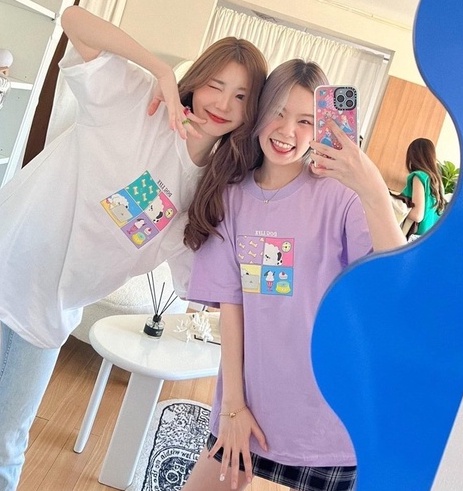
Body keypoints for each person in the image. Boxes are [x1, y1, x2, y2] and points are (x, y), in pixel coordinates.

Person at [0, 6, 267, 489]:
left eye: (242, 96)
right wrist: (160, 70)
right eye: (216, 84)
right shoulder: (138, 102)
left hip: (50, 312)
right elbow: (74, 20)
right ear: (197, 80)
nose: (224, 103)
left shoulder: (209, 194)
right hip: (8, 258)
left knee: (6, 444)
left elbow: (207, 285)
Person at [183, 60, 406, 491]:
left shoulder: (341, 196)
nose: (287, 131)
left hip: (328, 424)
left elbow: (394, 280)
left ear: (321, 125)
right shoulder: (230, 199)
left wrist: (372, 188)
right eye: (278, 112)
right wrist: (232, 406)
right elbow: (232, 309)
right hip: (248, 413)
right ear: (259, 111)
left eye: (306, 121)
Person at [400, 137, 446, 235]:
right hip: (429, 236)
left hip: (413, 236)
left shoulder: (419, 177)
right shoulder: (437, 181)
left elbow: (417, 215)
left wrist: (393, 209)